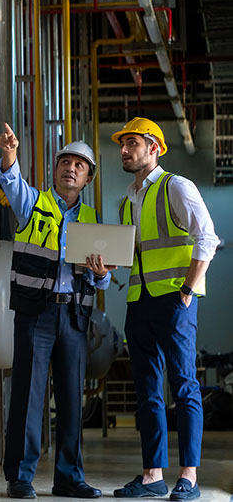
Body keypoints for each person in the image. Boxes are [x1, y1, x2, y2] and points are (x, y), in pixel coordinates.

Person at [92, 117, 219, 501]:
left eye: (132, 143)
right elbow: (136, 254)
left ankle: (189, 478)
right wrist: (107, 265)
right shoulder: (128, 199)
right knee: (147, 391)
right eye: (122, 145)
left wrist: (186, 291)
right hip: (139, 303)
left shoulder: (175, 186)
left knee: (184, 386)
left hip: (174, 301)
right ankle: (152, 477)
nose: (124, 151)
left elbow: (207, 238)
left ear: (155, 148)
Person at [0, 123, 110, 500]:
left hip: (75, 318)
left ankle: (68, 477)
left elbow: (104, 281)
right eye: (65, 162)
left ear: (88, 177)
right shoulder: (34, 203)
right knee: (27, 396)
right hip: (35, 315)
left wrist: (100, 275)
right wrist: (10, 153)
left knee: (71, 399)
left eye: (79, 165)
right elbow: (11, 182)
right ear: (55, 169)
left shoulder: (93, 220)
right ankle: (20, 477)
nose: (71, 169)